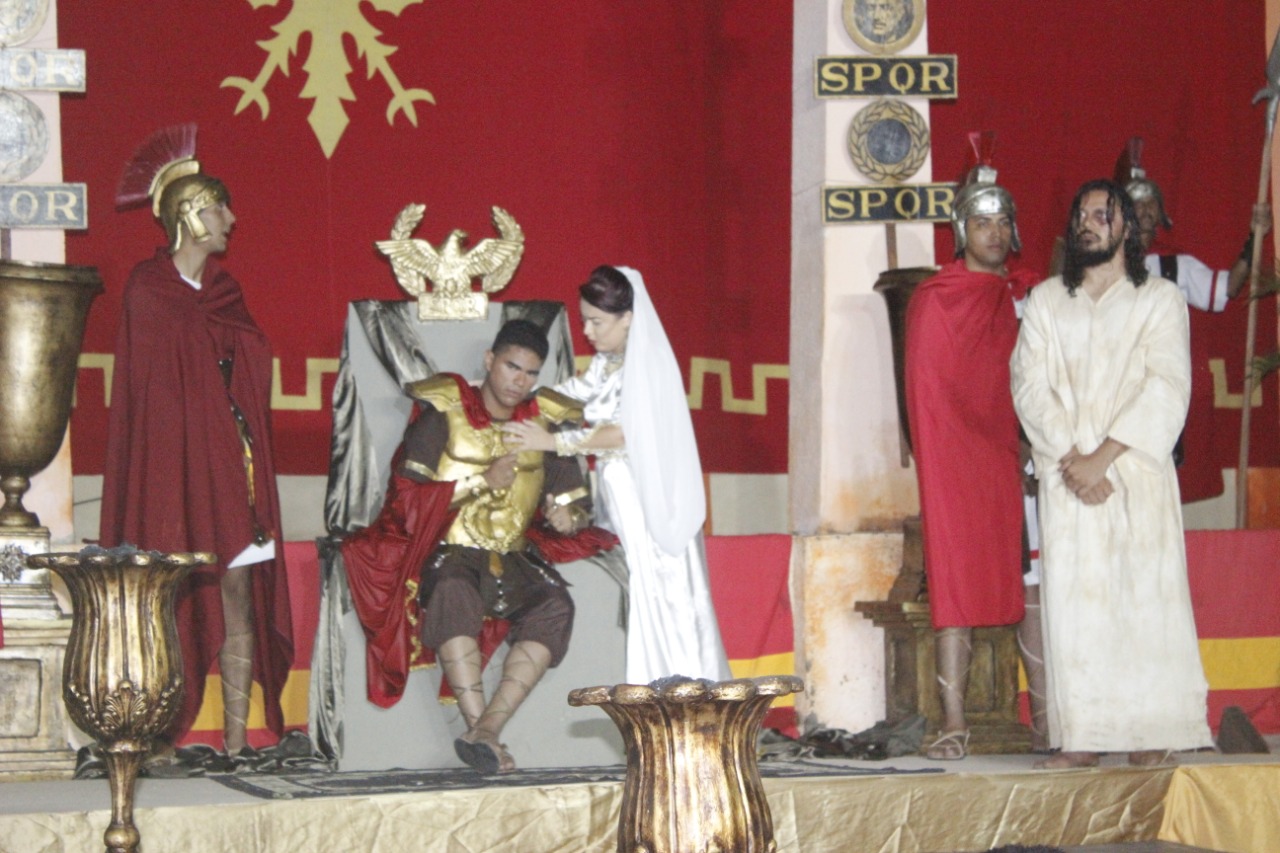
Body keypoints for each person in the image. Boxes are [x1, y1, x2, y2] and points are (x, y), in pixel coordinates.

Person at [101, 125, 293, 755]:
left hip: (230, 464)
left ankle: (237, 742)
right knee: (166, 596)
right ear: (188, 215)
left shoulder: (224, 293)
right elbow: (151, 394)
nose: (230, 220)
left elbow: (251, 360)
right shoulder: (147, 290)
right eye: (218, 208)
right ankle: (153, 733)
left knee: (238, 592)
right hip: (171, 470)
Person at [342, 319, 603, 774]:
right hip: (449, 550)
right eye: (511, 367)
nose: (519, 381)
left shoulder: (543, 423)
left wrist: (569, 517)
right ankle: (482, 731)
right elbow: (406, 500)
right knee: (452, 591)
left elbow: (575, 502)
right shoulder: (444, 411)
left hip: (514, 554)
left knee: (555, 606)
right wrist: (482, 481)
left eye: (530, 373)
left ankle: (485, 732)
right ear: (489, 361)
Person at [1011, 179, 1212, 769]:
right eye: (1082, 213)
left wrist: (1104, 456)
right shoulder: (1047, 301)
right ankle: (1082, 736)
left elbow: (1167, 385)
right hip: (1069, 478)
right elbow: (1029, 386)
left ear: (1126, 228)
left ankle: (1152, 732)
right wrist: (1073, 457)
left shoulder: (1159, 300)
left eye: (1103, 214)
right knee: (1078, 608)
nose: (1089, 222)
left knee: (1145, 601)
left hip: (1136, 475)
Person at [503, 265, 730, 685]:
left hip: (646, 494)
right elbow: (572, 393)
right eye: (584, 320)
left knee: (659, 584)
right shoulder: (608, 363)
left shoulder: (647, 367)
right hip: (616, 489)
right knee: (630, 580)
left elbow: (624, 434)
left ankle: (681, 685)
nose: (587, 331)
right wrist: (514, 395)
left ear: (627, 318)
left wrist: (551, 441)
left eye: (597, 322)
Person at [904, 158, 1041, 760]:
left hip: (1031, 459)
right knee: (956, 580)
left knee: (1032, 582)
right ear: (962, 230)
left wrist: (1035, 443)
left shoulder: (1031, 295)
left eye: (1003, 222)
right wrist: (989, 441)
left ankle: (1048, 719)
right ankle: (954, 722)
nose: (994, 232)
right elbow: (934, 392)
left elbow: (1049, 378)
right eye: (982, 222)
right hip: (963, 462)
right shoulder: (938, 298)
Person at [1117, 139, 1272, 502]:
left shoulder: (1176, 266)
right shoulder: (1102, 268)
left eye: (1151, 203)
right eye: (1137, 203)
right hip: (1116, 386)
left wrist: (1254, 238)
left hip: (1162, 387)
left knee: (1161, 481)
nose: (1145, 210)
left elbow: (1225, 288)